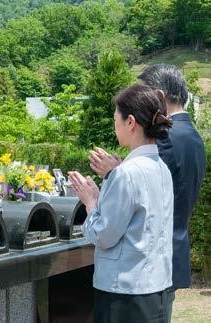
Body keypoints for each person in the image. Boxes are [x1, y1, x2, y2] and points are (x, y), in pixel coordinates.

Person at [89, 64, 206, 317]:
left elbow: (143, 195)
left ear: (160, 97)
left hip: (142, 263)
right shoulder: (194, 136)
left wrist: (114, 174)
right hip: (169, 256)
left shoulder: (166, 138)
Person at [69, 84, 174, 322]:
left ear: (130, 122)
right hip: (157, 287)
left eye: (115, 118)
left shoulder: (126, 173)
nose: (114, 125)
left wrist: (91, 202)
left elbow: (104, 235)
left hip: (124, 292)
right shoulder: (161, 168)